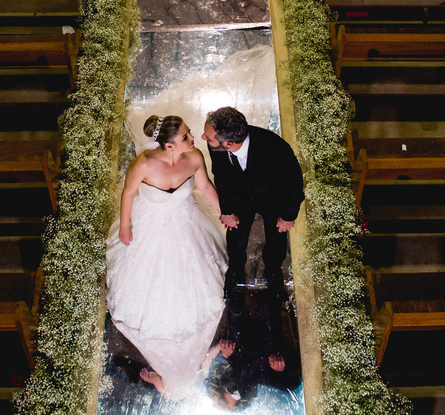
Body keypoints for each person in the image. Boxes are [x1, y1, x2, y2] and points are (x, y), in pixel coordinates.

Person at [105, 114, 228, 400]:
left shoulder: (194, 157)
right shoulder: (144, 163)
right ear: (170, 145)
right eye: (185, 135)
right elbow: (129, 193)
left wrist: (224, 211)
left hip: (185, 222)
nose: (192, 137)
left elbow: (206, 187)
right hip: (150, 226)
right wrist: (125, 225)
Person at [203, 106, 305, 301]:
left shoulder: (275, 147)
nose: (204, 138)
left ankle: (273, 273)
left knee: (276, 242)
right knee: (235, 240)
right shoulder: (216, 145)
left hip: (273, 200)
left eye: (209, 137)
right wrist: (227, 210)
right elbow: (221, 176)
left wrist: (288, 216)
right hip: (239, 200)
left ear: (230, 143)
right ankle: (234, 272)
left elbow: (295, 182)